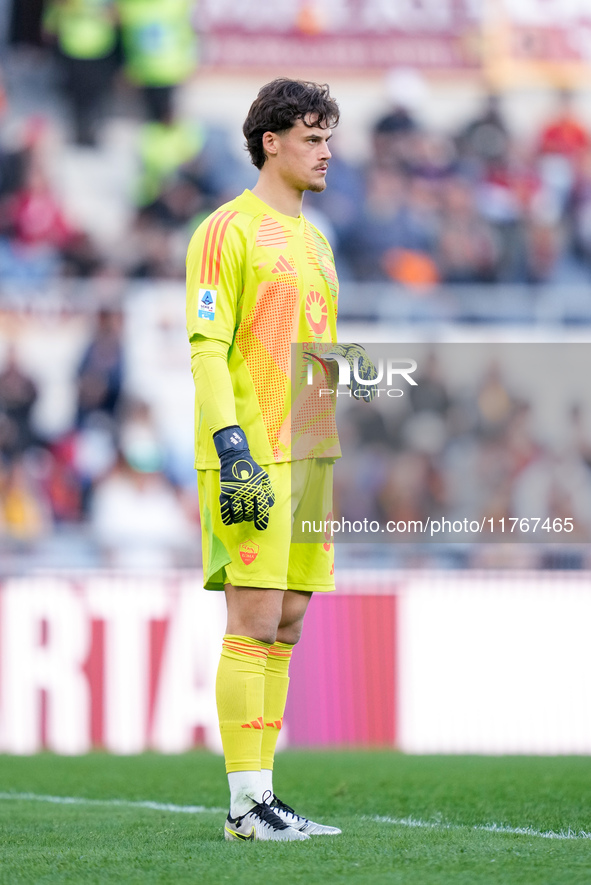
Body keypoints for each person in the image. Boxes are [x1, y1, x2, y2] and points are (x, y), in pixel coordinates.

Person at [186, 78, 375, 842]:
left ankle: (263, 798)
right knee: (254, 612)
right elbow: (206, 345)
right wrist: (227, 443)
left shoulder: (316, 239)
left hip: (308, 450)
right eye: (312, 137)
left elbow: (314, 346)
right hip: (250, 450)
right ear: (271, 140)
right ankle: (244, 801)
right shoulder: (226, 229)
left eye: (329, 137)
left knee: (289, 620)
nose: (327, 151)